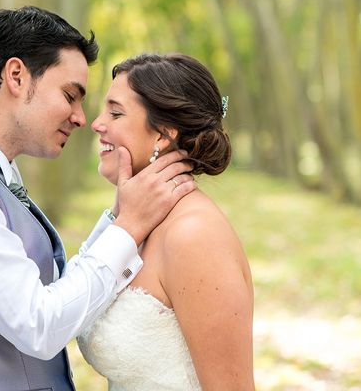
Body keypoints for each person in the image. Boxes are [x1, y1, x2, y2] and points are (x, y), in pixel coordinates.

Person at [0, 7, 196, 391]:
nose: (82, 119)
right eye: (70, 95)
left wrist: (118, 217)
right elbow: (39, 325)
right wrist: (128, 227)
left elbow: (54, 292)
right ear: (16, 76)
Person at [78, 53, 255, 390]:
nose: (97, 123)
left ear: (162, 135)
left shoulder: (195, 236)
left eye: (115, 113)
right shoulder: (137, 223)